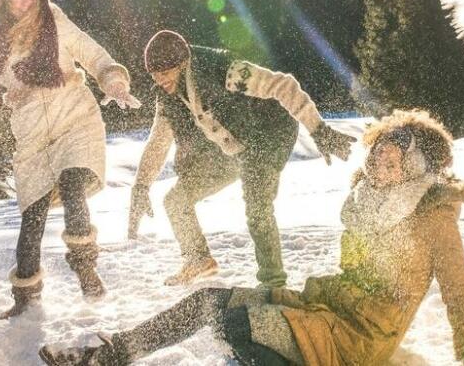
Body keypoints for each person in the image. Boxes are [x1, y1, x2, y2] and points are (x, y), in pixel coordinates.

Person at [40, 110, 464, 366]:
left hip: (363, 339)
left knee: (244, 328)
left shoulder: (432, 213)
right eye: (378, 155)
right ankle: (109, 356)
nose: (380, 166)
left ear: (417, 165)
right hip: (326, 308)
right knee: (210, 305)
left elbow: (460, 289)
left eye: (393, 160)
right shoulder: (365, 200)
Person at [0, 0, 141, 319]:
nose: (25, 3)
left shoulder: (53, 19)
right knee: (32, 218)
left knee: (73, 186)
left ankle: (87, 272)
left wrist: (114, 81)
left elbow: (91, 52)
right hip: (32, 135)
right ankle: (25, 300)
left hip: (74, 116)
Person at [128, 30, 356, 288]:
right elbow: (158, 140)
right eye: (154, 75)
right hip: (229, 146)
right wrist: (141, 186)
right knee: (176, 199)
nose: (160, 80)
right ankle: (198, 260)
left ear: (182, 63)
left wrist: (318, 129)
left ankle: (273, 282)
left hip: (266, 137)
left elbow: (283, 85)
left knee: (257, 208)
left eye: (165, 72)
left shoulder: (224, 69)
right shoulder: (167, 97)